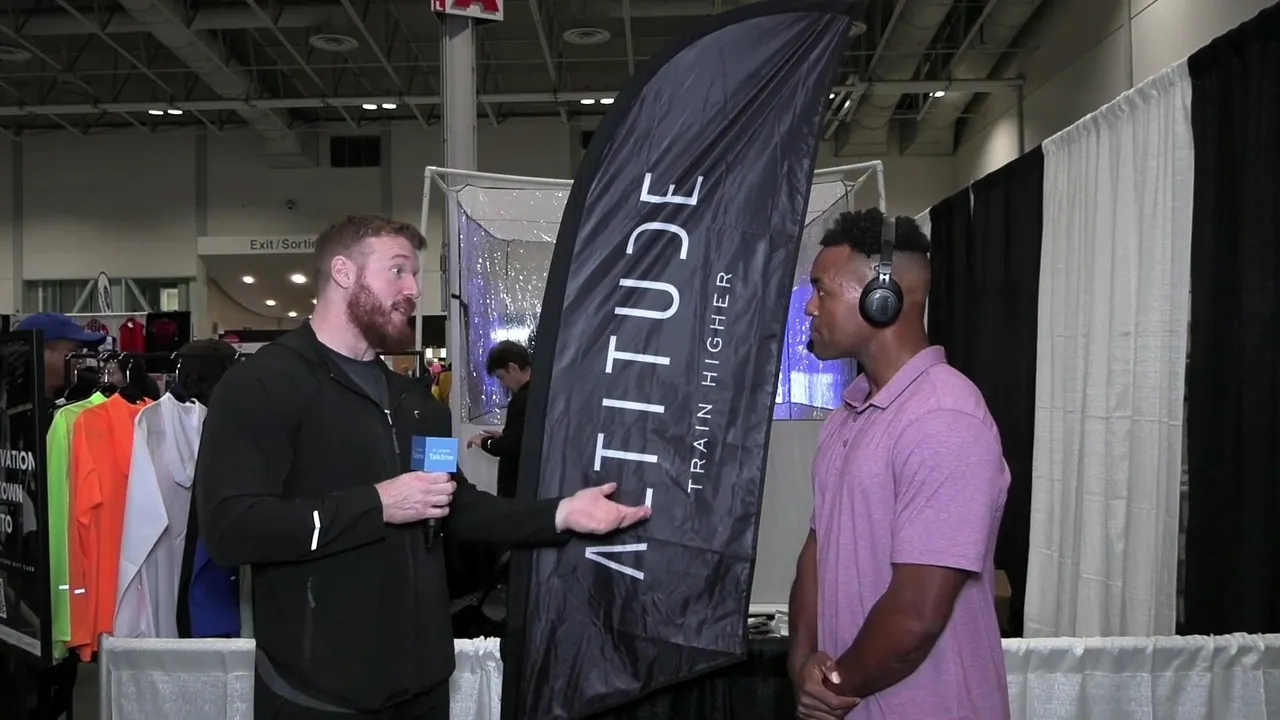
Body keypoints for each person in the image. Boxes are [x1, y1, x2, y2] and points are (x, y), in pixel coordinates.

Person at [194, 214, 651, 719]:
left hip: (424, 685)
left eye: (414, 274)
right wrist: (377, 504)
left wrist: (561, 513)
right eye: (397, 271)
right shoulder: (262, 386)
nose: (413, 289)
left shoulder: (416, 404)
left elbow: (453, 506)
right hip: (316, 694)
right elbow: (232, 529)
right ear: (343, 272)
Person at [789, 208, 1010, 720]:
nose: (810, 308)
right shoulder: (848, 414)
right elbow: (815, 554)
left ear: (881, 298)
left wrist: (830, 688)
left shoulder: (945, 417)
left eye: (822, 290)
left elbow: (916, 614)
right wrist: (802, 666)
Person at [0, 313, 106, 720]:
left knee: (53, 692)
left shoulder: (72, 415)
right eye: (70, 351)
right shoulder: (19, 415)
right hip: (21, 590)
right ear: (41, 352)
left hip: (54, 593)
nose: (78, 361)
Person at [465, 340, 532, 499]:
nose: (503, 384)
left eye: (502, 377)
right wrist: (506, 436)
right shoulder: (543, 391)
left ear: (512, 368)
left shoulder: (522, 399)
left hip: (517, 485)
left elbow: (508, 447)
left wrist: (484, 442)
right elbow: (526, 438)